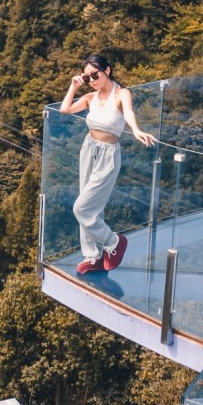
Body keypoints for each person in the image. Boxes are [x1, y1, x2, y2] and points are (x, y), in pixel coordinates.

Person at [59, 54, 157, 275]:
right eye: (87, 77)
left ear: (108, 70)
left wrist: (136, 130)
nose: (92, 80)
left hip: (108, 154)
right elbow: (65, 109)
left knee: (82, 207)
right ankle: (93, 255)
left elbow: (129, 113)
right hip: (89, 148)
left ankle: (113, 242)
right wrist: (74, 86)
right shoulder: (90, 98)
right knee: (91, 205)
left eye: (95, 74)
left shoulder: (122, 94)